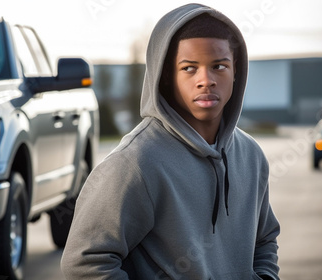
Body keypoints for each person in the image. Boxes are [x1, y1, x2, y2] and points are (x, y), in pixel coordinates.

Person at [61, 3, 280, 280]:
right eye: (189, 68)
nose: (206, 80)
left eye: (219, 66)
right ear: (166, 76)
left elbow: (265, 240)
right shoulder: (137, 162)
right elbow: (84, 263)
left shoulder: (251, 155)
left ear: (236, 71)